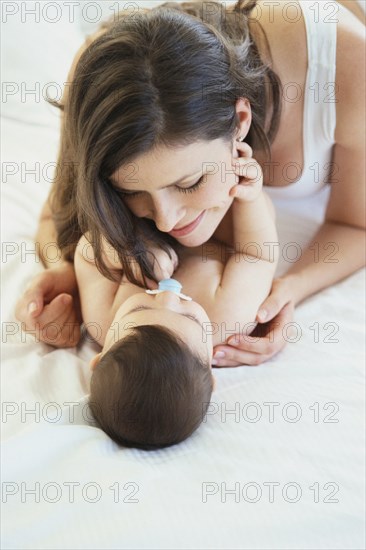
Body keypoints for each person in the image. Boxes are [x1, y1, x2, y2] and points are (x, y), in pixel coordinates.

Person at [15, 0, 365, 366]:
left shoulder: (347, 69)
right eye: (131, 190)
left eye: (190, 182)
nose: (166, 221)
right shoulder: (102, 87)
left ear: (240, 121)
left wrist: (286, 291)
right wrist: (64, 271)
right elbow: (55, 218)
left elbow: (356, 225)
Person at [73, 144, 278, 449]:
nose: (168, 295)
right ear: (210, 369)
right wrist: (251, 198)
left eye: (139, 307)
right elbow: (258, 254)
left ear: (100, 358)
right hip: (224, 217)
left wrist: (126, 256)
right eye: (188, 317)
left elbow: (87, 254)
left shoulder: (103, 318)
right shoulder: (226, 316)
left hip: (144, 217)